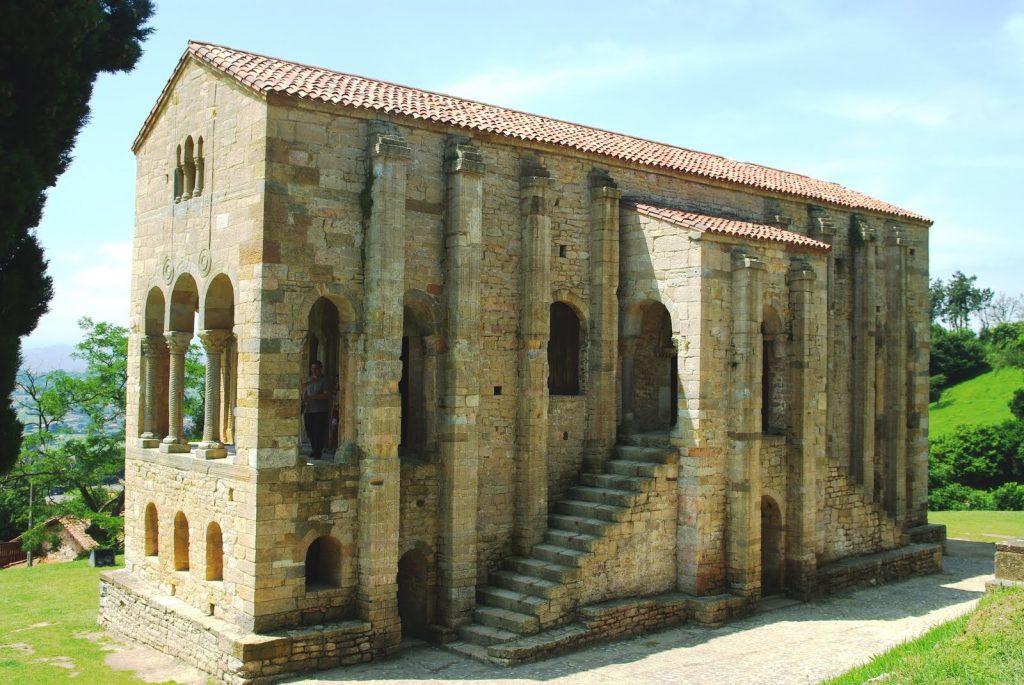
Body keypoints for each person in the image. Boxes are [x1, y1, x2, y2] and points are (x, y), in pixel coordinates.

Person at [301, 361, 332, 459]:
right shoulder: (309, 380)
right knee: (309, 430)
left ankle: (317, 452)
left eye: (316, 368)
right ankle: (314, 450)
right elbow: (302, 389)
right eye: (312, 368)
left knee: (318, 432)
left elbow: (327, 395)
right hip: (309, 410)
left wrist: (312, 398)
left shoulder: (325, 380)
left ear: (320, 369)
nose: (314, 371)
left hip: (320, 410)